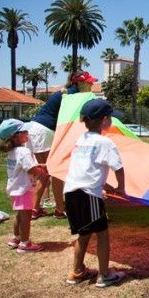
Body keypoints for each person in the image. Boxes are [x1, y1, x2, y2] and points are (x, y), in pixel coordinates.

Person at [63, 99, 125, 287]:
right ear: (104, 119)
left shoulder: (80, 140)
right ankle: (104, 275)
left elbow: (88, 169)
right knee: (103, 234)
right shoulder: (104, 142)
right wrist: (121, 187)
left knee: (84, 234)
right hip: (87, 194)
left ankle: (78, 272)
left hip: (72, 191)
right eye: (111, 117)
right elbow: (118, 167)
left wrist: (105, 186)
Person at [27, 70, 97, 220]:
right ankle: (58, 209)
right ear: (79, 83)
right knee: (53, 170)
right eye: (89, 82)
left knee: (45, 171)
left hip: (36, 128)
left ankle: (35, 208)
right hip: (44, 130)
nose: (92, 84)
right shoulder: (72, 95)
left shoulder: (69, 92)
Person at [0, 119, 49, 253]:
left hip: (15, 189)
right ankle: (25, 244)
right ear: (16, 136)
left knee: (20, 215)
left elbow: (23, 167)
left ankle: (17, 238)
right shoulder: (24, 152)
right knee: (26, 217)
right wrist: (42, 172)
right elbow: (30, 169)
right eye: (25, 131)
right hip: (24, 189)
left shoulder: (13, 152)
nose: (28, 133)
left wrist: (39, 166)